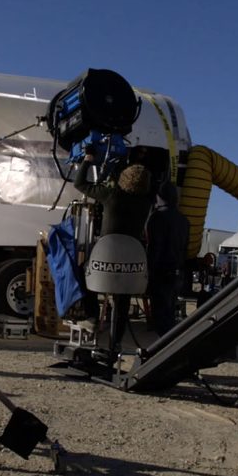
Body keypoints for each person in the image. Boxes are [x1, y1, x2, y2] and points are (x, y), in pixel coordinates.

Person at [74, 150, 153, 354]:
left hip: (106, 259)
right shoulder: (146, 203)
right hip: (130, 263)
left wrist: (87, 160)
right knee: (122, 300)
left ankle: (91, 315)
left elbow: (80, 184)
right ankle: (115, 343)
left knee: (81, 271)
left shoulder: (111, 195)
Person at [146, 180, 190, 335]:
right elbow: (185, 249)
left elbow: (154, 247)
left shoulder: (156, 218)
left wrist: (148, 271)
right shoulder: (184, 220)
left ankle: (164, 349)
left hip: (160, 272)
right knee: (169, 312)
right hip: (177, 272)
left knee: (160, 315)